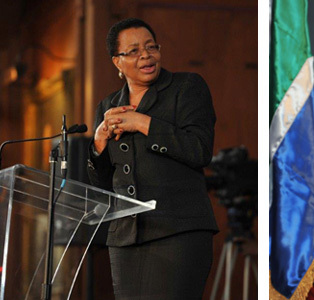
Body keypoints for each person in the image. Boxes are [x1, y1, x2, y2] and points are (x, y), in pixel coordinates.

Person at [86, 18, 218, 299]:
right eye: (133, 51)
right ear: (117, 62)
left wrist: (143, 123)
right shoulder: (107, 107)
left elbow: (199, 150)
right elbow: (103, 183)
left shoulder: (187, 87)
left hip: (178, 230)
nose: (145, 55)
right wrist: (98, 143)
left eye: (151, 47)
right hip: (126, 237)